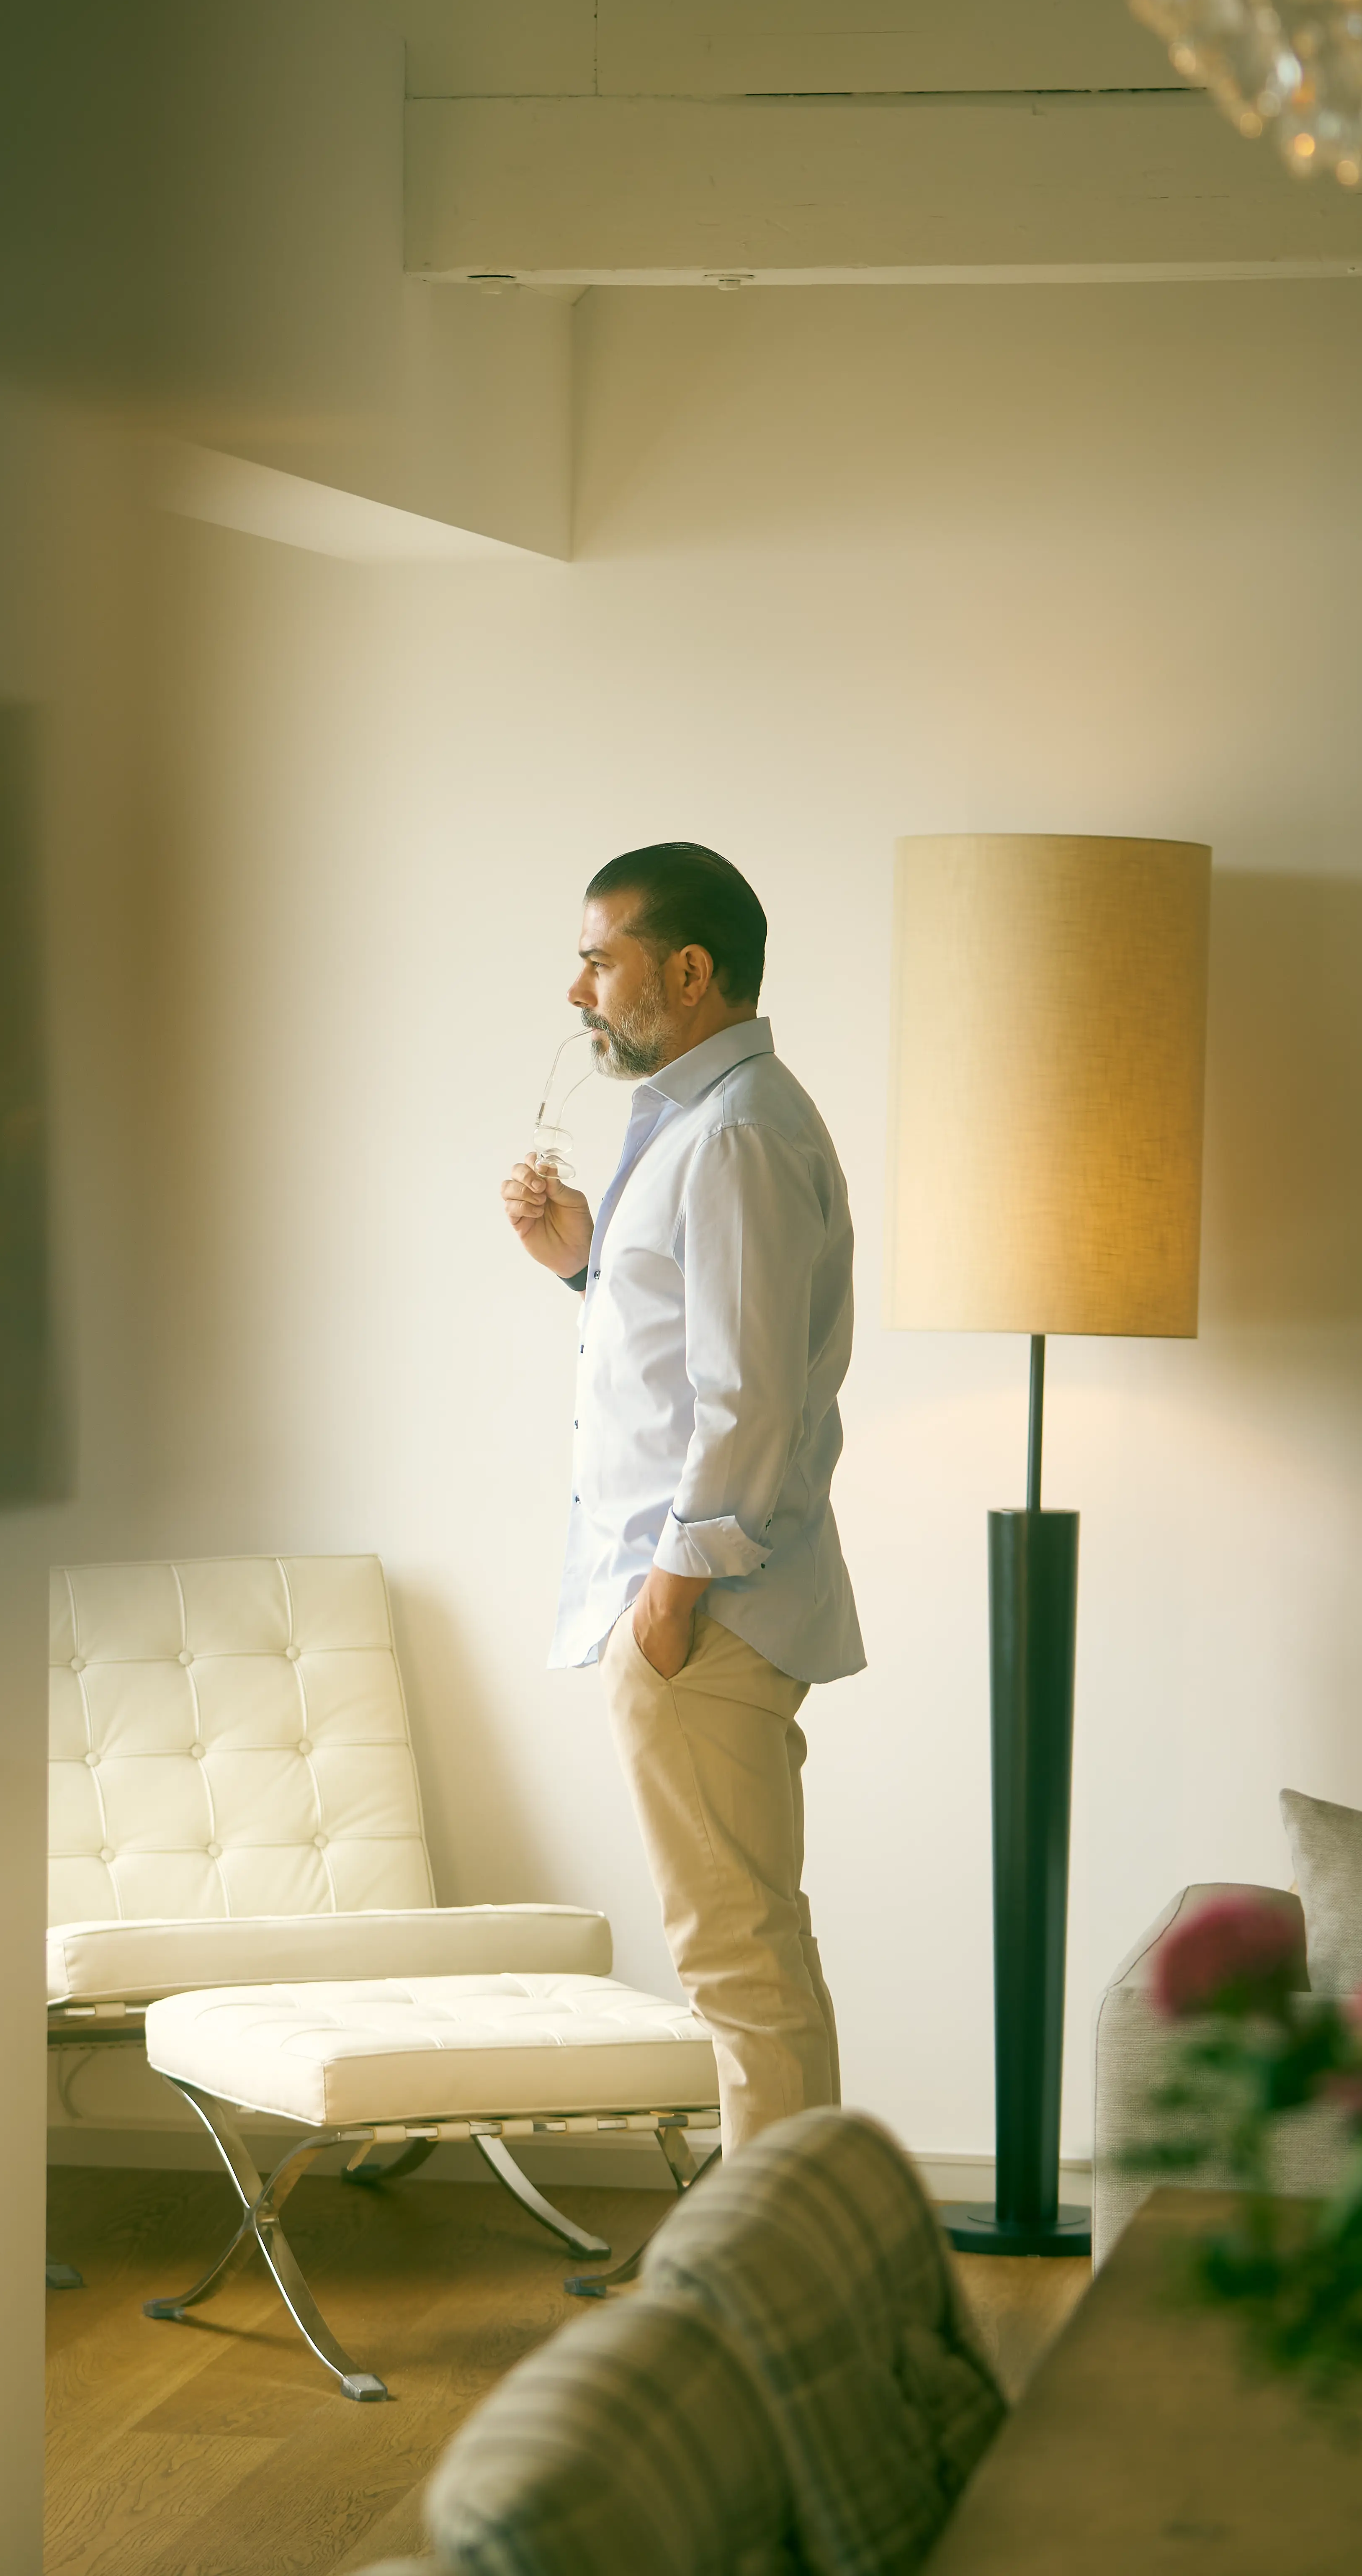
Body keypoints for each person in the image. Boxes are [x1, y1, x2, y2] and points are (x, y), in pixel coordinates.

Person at [499, 842, 860, 2150]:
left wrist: (668, 1601)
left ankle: (780, 2255)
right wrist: (585, 1265)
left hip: (702, 1618)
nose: (579, 992)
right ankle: (800, 2233)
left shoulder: (739, 1133)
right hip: (696, 1610)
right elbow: (691, 1348)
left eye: (601, 961)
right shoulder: (708, 1122)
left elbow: (747, 1399)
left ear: (691, 972)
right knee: (751, 1949)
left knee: (735, 1962)